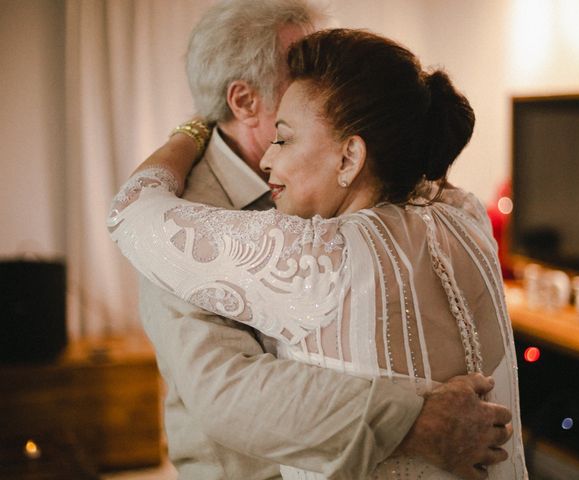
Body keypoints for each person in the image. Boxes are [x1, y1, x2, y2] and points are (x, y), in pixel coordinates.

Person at [127, 2, 515, 478]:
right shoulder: (188, 214)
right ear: (244, 101)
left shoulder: (411, 204)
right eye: (301, 66)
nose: (329, 81)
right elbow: (224, 388)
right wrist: (416, 420)